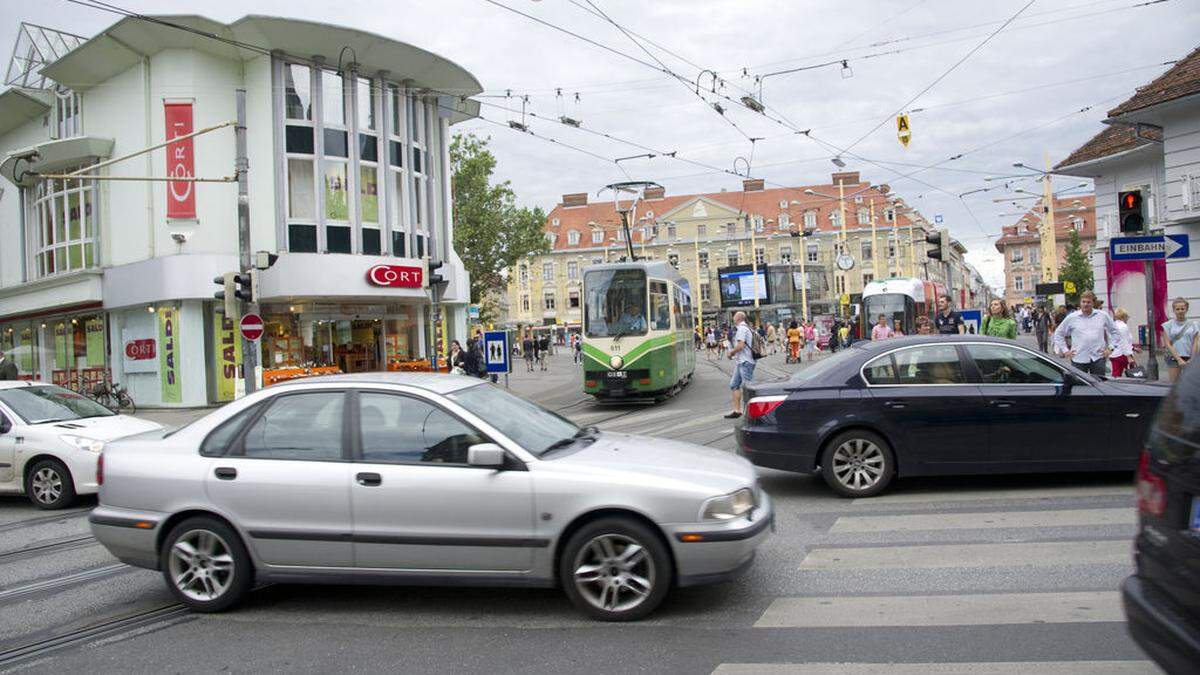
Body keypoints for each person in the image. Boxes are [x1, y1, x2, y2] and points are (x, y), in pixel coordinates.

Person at [1052, 290, 1117, 377]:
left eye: (1088, 302)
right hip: (1078, 358)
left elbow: (1115, 331)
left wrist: (1110, 349)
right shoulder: (1072, 317)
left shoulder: (1103, 316)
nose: (1085, 304)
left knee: (1099, 385)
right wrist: (1065, 351)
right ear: (1080, 303)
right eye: (1083, 302)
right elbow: (1058, 333)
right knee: (1080, 386)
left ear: (1093, 303)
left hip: (1098, 357)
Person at [725, 311, 756, 419]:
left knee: (749, 387)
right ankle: (737, 411)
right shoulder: (746, 328)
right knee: (734, 384)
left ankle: (753, 412)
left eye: (734, 317)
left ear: (737, 318)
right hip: (741, 362)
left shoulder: (742, 329)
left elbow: (741, 345)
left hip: (745, 362)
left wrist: (731, 352)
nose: (733, 318)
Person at [1162, 297, 1200, 382]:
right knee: (1174, 385)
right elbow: (1168, 344)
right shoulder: (1167, 325)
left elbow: (1195, 342)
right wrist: (1179, 359)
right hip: (1173, 357)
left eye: (1182, 309)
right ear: (1174, 310)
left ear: (1186, 309)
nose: (1180, 311)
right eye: (1177, 309)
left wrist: (1192, 358)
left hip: (1189, 357)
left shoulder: (1194, 324)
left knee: (1190, 384)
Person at [1110, 308, 1137, 377]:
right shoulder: (1123, 326)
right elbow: (1124, 342)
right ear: (1123, 317)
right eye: (1127, 317)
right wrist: (1129, 356)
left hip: (1114, 354)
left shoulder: (1113, 325)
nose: (1127, 319)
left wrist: (1133, 348)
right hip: (1122, 354)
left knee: (1116, 374)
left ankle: (1114, 386)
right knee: (1132, 374)